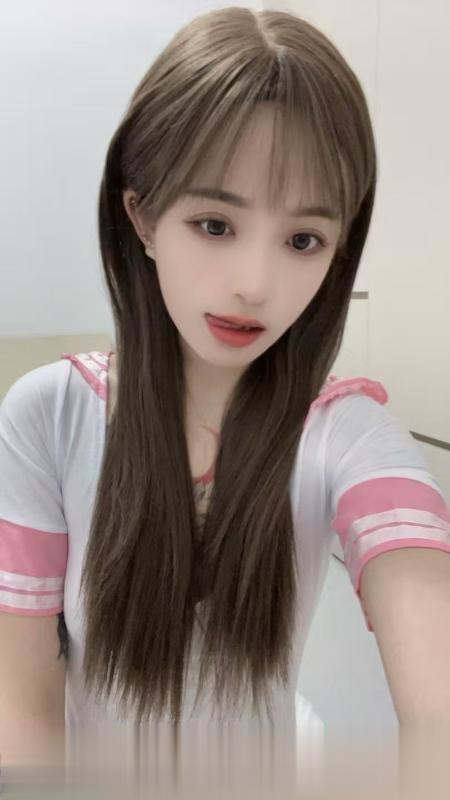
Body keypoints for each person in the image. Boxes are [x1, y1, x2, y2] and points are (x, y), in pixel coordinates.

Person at [1, 5, 449, 792]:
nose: (256, 284)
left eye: (303, 240)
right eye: (214, 224)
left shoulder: (346, 432)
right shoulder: (49, 415)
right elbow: (22, 708)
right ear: (142, 216)